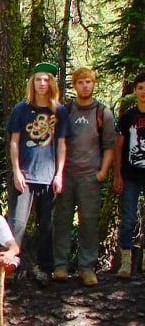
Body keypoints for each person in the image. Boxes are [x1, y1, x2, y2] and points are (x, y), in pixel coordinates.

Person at [7, 62, 70, 286]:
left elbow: (61, 145)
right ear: (32, 82)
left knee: (47, 225)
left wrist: (59, 174)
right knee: (17, 223)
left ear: (51, 83)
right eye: (38, 79)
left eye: (46, 80)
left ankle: (44, 268)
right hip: (24, 175)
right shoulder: (21, 109)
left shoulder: (59, 111)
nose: (42, 83)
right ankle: (9, 265)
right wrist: (16, 172)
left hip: (49, 177)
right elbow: (14, 142)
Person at [52, 67, 116, 286]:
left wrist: (102, 173)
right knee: (61, 220)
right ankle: (60, 265)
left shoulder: (103, 113)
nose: (85, 85)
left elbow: (109, 146)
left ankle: (86, 267)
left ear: (93, 84)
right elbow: (57, 142)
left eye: (89, 81)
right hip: (67, 175)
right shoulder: (66, 110)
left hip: (90, 176)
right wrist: (58, 173)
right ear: (75, 85)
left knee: (88, 222)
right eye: (81, 82)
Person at [113, 71, 145, 279]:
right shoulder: (127, 117)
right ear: (135, 91)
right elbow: (118, 147)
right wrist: (117, 174)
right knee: (129, 218)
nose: (144, 92)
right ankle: (126, 263)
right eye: (141, 88)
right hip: (130, 174)